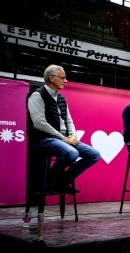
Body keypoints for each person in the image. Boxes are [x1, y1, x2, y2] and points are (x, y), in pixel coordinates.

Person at [26, 64, 101, 194]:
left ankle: (62, 182)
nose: (65, 81)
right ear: (52, 78)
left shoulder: (61, 98)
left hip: (63, 137)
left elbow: (69, 120)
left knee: (94, 155)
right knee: (72, 153)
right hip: (44, 138)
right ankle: (47, 183)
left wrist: (73, 136)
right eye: (63, 78)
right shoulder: (37, 95)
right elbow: (39, 123)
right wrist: (63, 138)